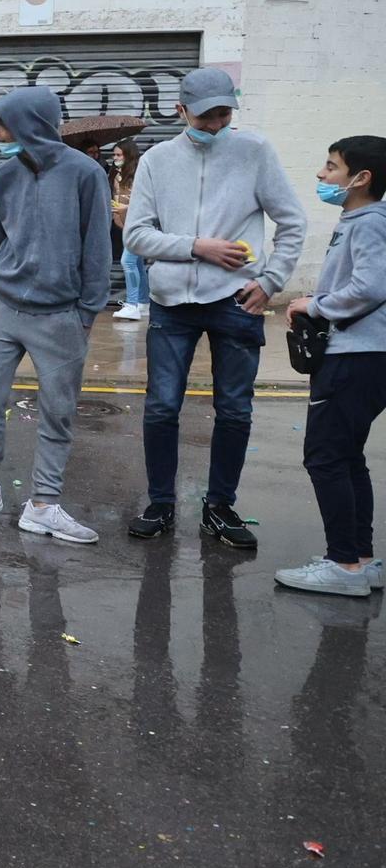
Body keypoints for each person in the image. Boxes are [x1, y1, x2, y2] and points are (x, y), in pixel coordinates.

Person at [124, 69, 305, 546]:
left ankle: (220, 507)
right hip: (171, 304)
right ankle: (161, 503)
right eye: (205, 116)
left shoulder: (255, 151)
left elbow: (292, 220)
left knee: (235, 410)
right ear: (181, 110)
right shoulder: (158, 161)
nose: (216, 125)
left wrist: (270, 281)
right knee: (162, 407)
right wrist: (196, 246)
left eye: (224, 113)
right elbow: (135, 234)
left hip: (236, 302)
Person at [0, 87, 112, 544]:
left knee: (58, 410)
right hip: (0, 308)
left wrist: (87, 311)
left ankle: (44, 504)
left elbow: (98, 247)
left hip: (60, 315)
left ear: (31, 123)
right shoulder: (0, 178)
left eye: (2, 123)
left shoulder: (85, 174)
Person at [277, 136, 386, 598]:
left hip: (356, 356)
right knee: (346, 456)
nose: (322, 175)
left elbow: (369, 287)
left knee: (324, 457)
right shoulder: (360, 219)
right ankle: (359, 559)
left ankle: (342, 564)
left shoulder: (369, 223)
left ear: (361, 178)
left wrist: (316, 304)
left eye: (331, 167)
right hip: (361, 355)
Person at [110, 141, 149, 322]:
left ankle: (132, 304)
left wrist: (124, 208)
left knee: (128, 261)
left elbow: (142, 202)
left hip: (138, 227)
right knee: (138, 264)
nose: (115, 158)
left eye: (119, 155)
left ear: (129, 156)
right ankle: (143, 301)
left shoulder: (138, 175)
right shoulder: (117, 176)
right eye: (115, 155)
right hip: (126, 226)